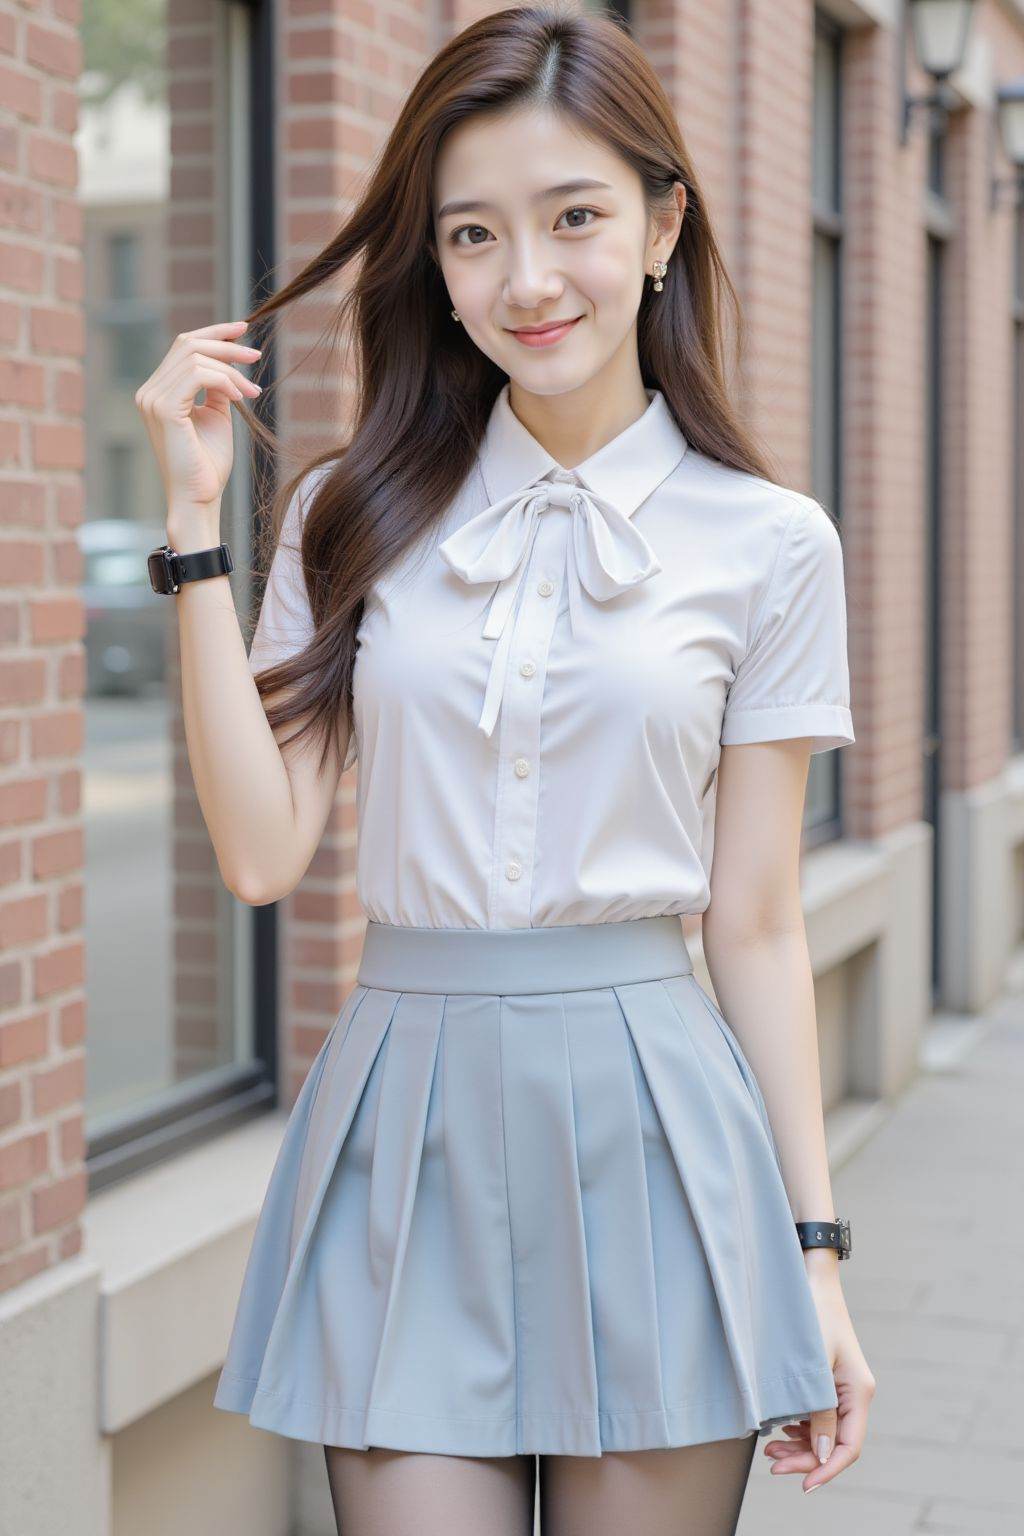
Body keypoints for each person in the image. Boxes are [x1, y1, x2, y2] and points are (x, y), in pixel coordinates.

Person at [135, 6, 876, 1533]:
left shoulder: (770, 545)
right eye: (473, 235)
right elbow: (266, 854)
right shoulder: (352, 513)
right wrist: (198, 534)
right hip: (410, 1121)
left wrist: (815, 1255)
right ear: (436, 267)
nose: (527, 278)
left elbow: (756, 922)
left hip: (661, 1132)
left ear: (664, 225)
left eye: (576, 217)